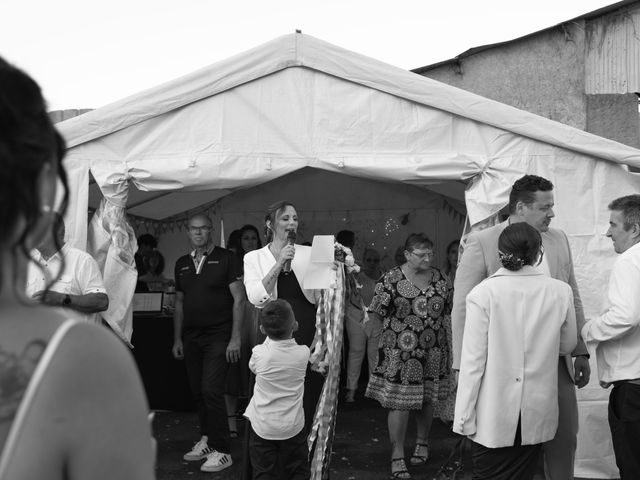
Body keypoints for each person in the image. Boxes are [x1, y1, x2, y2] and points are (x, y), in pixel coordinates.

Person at [0, 56, 155, 479]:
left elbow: (102, 298)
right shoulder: (87, 361)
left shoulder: (81, 261)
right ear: (47, 182)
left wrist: (63, 298)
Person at [451, 174, 590, 480]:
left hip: (556, 362)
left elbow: (572, 293)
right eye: (546, 207)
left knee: (563, 438)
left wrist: (580, 351)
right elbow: (462, 307)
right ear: (522, 207)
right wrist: (462, 364)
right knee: (504, 444)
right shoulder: (483, 241)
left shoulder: (559, 239)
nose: (552, 214)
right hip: (500, 367)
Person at [365, 233, 454, 480]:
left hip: (434, 350)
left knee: (426, 399)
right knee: (400, 404)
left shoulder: (440, 278)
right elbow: (375, 314)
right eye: (421, 254)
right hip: (400, 354)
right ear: (407, 254)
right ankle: (397, 455)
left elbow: (449, 311)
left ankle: (423, 442)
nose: (428, 258)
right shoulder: (390, 280)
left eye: (430, 253)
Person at [171, 214, 245, 473]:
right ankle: (207, 439)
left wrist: (236, 337)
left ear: (211, 231)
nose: (199, 233)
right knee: (198, 392)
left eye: (203, 229)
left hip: (219, 335)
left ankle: (223, 450)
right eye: (194, 229)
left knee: (212, 390)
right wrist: (177, 338)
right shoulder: (181, 263)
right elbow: (179, 303)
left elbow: (239, 299)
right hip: (191, 337)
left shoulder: (227, 258)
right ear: (188, 233)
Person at [582, 195, 640, 479]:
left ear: (635, 229)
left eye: (613, 224)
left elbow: (626, 315)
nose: (608, 232)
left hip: (635, 391)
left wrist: (588, 330)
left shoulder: (630, 261)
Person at [244, 299, 311, 479]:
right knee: (298, 471)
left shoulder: (259, 352)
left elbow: (253, 367)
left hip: (263, 427)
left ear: (262, 330)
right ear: (295, 325)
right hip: (293, 426)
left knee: (264, 472)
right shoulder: (303, 353)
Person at [26, 212, 109, 324]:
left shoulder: (82, 261)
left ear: (57, 232)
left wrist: (61, 299)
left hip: (71, 339)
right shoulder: (27, 263)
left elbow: (101, 301)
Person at [225, 224, 263, 438]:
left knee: (255, 370)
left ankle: (252, 419)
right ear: (239, 241)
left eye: (253, 238)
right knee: (233, 369)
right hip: (238, 317)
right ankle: (231, 421)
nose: (250, 242)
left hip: (258, 317)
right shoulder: (233, 262)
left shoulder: (263, 260)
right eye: (246, 238)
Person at [344, 247, 383, 403]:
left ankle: (374, 391)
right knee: (356, 352)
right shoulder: (355, 276)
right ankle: (351, 389)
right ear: (364, 260)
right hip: (356, 315)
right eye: (369, 260)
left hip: (376, 318)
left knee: (374, 355)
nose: (372, 263)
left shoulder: (384, 277)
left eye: (375, 260)